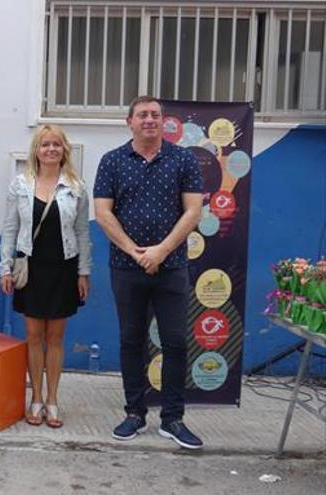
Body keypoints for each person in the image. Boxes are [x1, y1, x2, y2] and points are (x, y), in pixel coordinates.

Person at [93, 95, 204, 449]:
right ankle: (134, 413)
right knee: (132, 341)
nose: (149, 120)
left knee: (175, 342)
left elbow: (192, 212)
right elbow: (103, 212)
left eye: (155, 115)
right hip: (126, 267)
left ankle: (172, 419)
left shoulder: (183, 159)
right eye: (142, 115)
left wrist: (160, 251)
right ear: (130, 122)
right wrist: (134, 250)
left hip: (171, 266)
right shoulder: (112, 162)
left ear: (163, 121)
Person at [0, 124, 91, 428]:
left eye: (56, 144)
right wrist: (5, 268)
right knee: (33, 335)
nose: (51, 149)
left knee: (56, 337)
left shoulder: (76, 187)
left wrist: (83, 273)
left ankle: (53, 399)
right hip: (31, 268)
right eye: (45, 144)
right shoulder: (20, 185)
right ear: (36, 151)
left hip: (64, 267)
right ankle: (35, 398)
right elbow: (10, 229)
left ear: (64, 150)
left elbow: (82, 232)